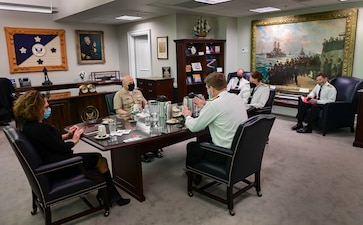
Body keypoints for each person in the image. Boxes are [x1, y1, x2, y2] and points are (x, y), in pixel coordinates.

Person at [12, 90, 130, 207]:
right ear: (36, 109)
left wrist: (67, 135)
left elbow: (49, 141)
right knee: (99, 159)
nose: (48, 109)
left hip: (51, 161)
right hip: (60, 166)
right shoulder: (41, 129)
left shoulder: (28, 127)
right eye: (46, 107)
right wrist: (74, 139)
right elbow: (64, 149)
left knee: (97, 156)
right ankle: (111, 195)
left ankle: (104, 191)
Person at [182, 72, 248, 185]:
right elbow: (223, 110)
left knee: (192, 146)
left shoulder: (214, 104)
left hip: (225, 154)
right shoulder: (236, 98)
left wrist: (187, 115)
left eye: (207, 88)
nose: (207, 90)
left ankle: (194, 174)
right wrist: (205, 105)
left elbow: (194, 127)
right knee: (205, 138)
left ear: (212, 89)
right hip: (241, 149)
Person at [113, 75, 163, 162]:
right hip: (128, 119)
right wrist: (129, 113)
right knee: (139, 130)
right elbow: (118, 110)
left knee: (154, 127)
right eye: (130, 83)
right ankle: (141, 153)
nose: (132, 84)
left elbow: (145, 103)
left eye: (133, 83)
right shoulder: (119, 95)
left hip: (142, 117)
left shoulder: (138, 92)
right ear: (124, 84)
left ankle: (155, 149)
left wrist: (147, 110)